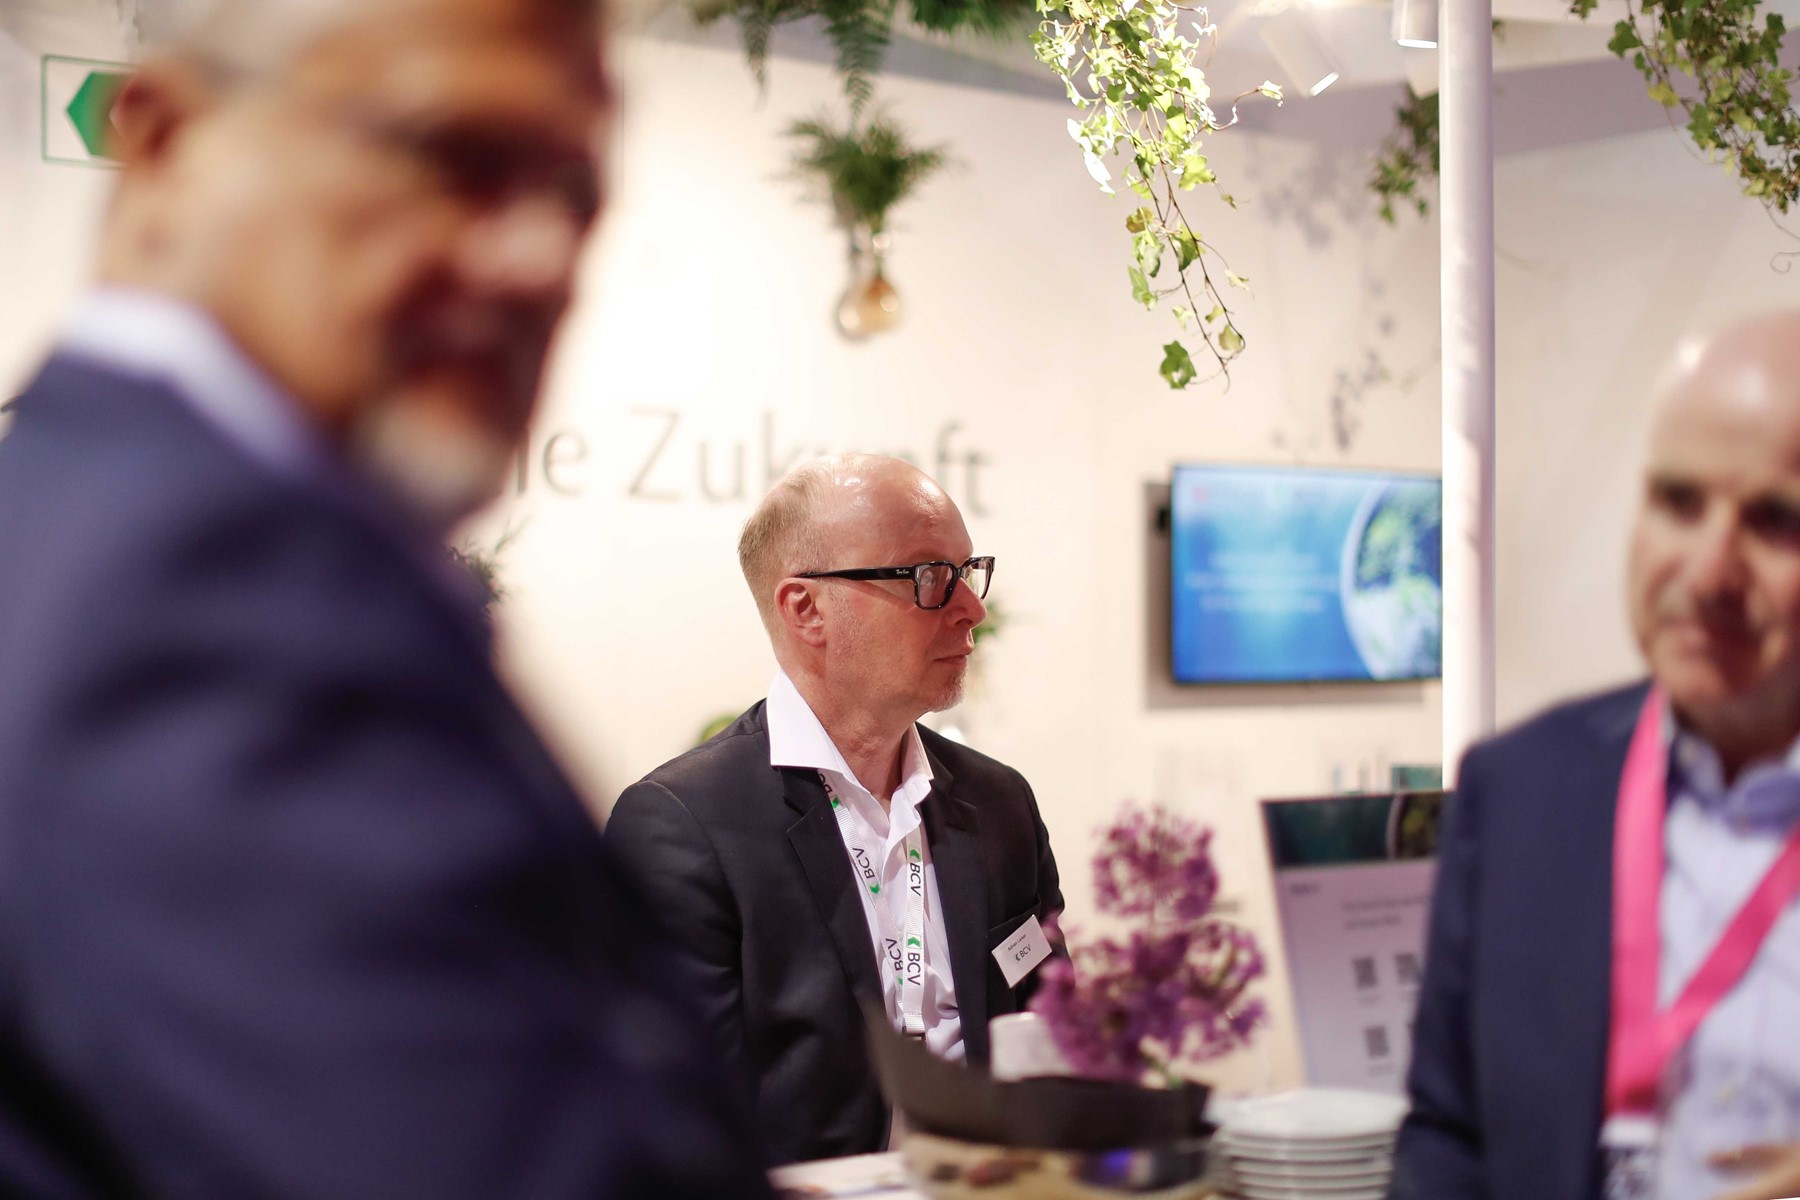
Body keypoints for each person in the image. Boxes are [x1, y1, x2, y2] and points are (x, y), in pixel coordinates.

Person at [0, 1, 772, 1196]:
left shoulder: (77, 518)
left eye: (575, 193)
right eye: (453, 154)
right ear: (165, 141)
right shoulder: (207, 597)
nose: (539, 257)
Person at [1392, 312, 1800, 1200]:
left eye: (1776, 521)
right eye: (1678, 502)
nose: (1709, 570)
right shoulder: (1516, 792)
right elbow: (1448, 1137)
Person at [605, 454, 1064, 1165]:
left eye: (968, 572)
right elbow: (679, 1125)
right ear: (806, 609)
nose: (972, 608)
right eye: (930, 577)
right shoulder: (684, 827)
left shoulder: (999, 802)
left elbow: (1057, 1036)